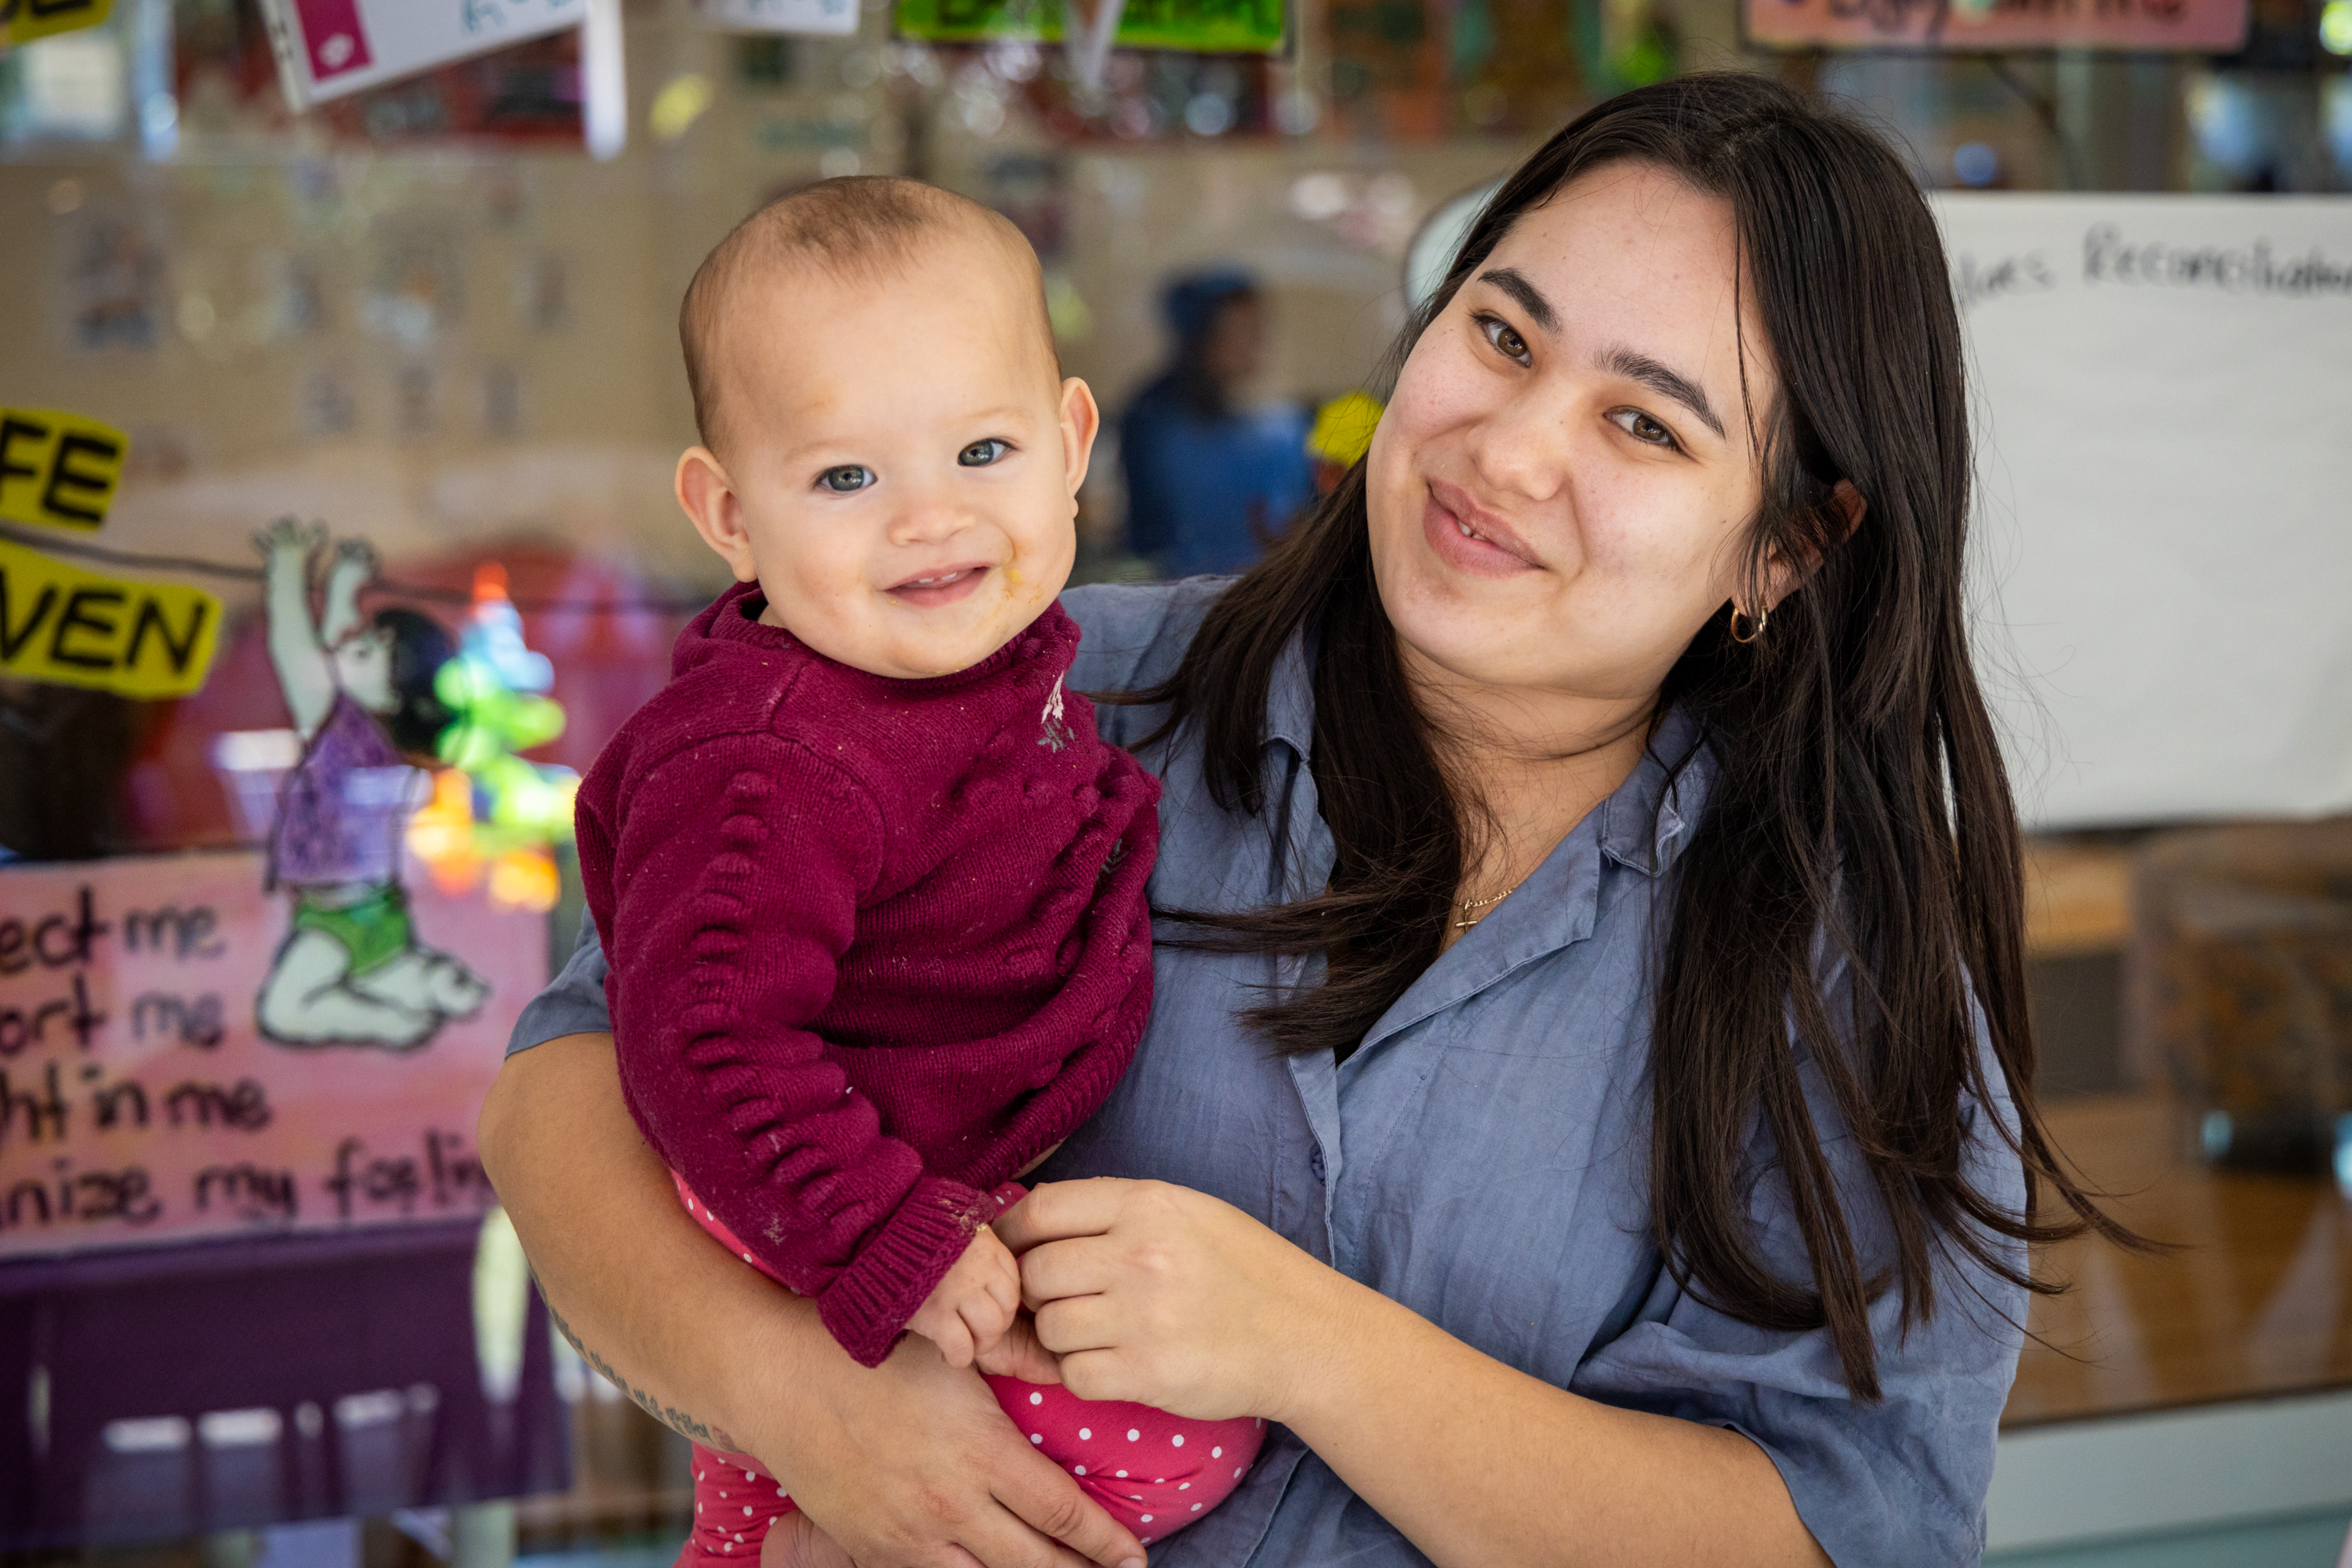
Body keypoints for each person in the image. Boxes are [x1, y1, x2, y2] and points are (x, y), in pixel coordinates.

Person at [482, 74, 2125, 1567]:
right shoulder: (1035, 690)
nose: (1510, 444)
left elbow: (1865, 1526)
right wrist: (812, 1412)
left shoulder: (1830, 963)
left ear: (1787, 549)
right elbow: (571, 1087)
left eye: (1644, 422)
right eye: (1502, 334)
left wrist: (1308, 1346)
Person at [575, 176, 1258, 1566]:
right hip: (812, 1171)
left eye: (983, 450)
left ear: (1072, 442)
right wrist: (884, 1230)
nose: (929, 520)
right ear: (726, 513)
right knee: (1188, 1448)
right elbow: (701, 1034)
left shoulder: (992, 654)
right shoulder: (773, 762)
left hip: (910, 1161)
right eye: (844, 477)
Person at [252, 518, 488, 1050]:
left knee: (282, 1010)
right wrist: (342, 586)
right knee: (380, 974)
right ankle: (424, 980)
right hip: (375, 909)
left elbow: (296, 650)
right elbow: (337, 645)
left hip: (336, 915)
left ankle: (390, 1019)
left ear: (394, 695)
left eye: (366, 649)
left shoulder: (339, 733)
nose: (346, 642)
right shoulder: (377, 741)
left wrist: (288, 569)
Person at [1117, 270, 1313, 577]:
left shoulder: (1281, 427)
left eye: (1259, 330)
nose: (1257, 344)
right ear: (1199, 340)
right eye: (1240, 332)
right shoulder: (1157, 428)